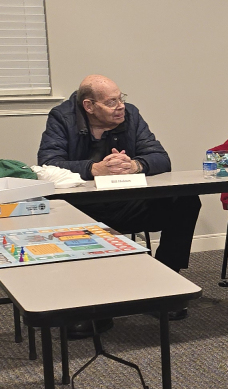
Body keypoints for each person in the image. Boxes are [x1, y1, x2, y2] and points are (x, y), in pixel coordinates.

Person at [37, 75, 200, 322]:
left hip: (126, 203)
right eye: (111, 102)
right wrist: (94, 169)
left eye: (121, 98)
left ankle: (165, 283)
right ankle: (86, 303)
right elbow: (48, 164)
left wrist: (134, 165)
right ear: (89, 106)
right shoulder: (62, 117)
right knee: (62, 215)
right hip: (82, 209)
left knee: (185, 200)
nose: (120, 106)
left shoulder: (131, 115)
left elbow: (161, 158)